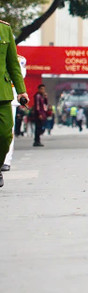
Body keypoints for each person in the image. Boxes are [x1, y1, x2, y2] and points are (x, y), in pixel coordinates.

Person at [0, 19, 26, 188]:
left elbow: (13, 64)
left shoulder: (4, 29)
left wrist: (21, 90)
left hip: (2, 93)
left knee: (5, 134)